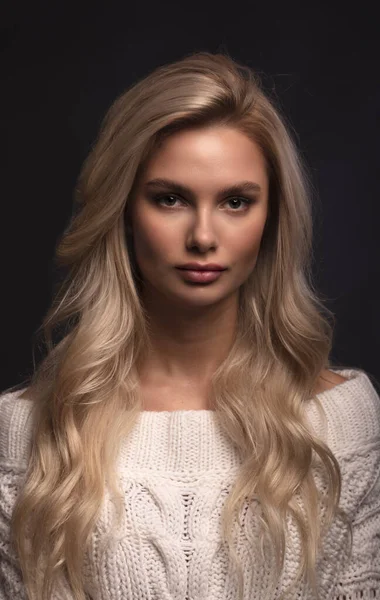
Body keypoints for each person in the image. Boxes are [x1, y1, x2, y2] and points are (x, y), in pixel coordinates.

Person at [0, 51, 379, 600]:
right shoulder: (26, 434)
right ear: (125, 210)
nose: (203, 235)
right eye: (170, 198)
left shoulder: (338, 420)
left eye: (235, 202)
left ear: (272, 218)